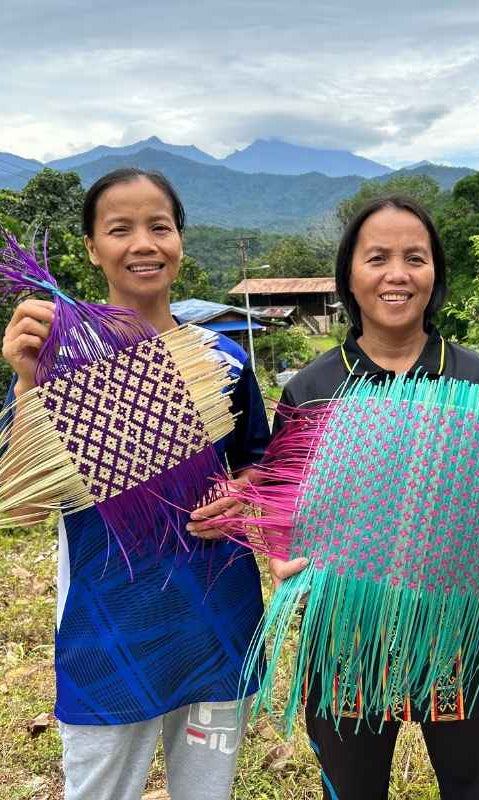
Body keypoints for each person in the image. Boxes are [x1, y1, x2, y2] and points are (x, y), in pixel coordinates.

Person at [268, 195, 479, 800]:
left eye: (415, 257)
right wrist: (280, 554)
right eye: (377, 257)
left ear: (434, 272)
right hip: (345, 630)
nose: (397, 274)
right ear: (349, 275)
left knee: (471, 785)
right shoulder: (311, 389)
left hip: (460, 627)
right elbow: (288, 508)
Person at [1, 168, 270, 800]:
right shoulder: (58, 362)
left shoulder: (220, 361)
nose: (143, 242)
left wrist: (242, 497)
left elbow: (258, 464)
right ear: (93, 248)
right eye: (119, 229)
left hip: (216, 621)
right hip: (110, 630)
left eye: (160, 226)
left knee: (208, 791)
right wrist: (23, 385)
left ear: (180, 239)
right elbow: (23, 501)